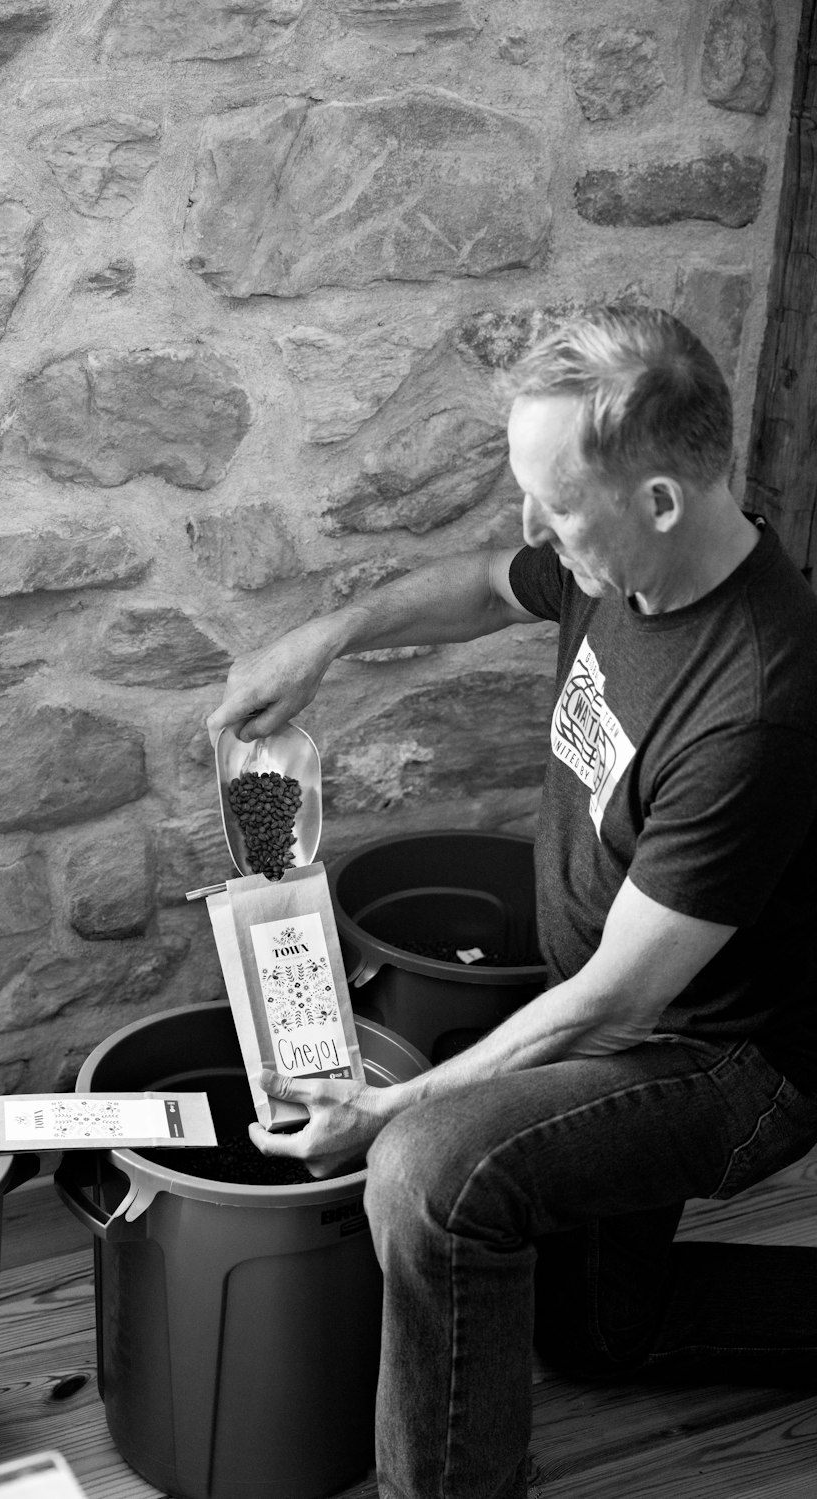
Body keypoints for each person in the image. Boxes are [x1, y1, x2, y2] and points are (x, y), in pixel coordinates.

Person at [205, 306, 817, 1499]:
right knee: (596, 1336)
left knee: (428, 1177)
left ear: (658, 498)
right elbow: (490, 585)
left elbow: (613, 1001)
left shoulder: (756, 704)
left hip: (726, 1058)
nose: (534, 526)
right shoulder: (625, 566)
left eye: (556, 501)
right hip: (626, 1016)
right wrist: (325, 637)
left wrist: (393, 1108)